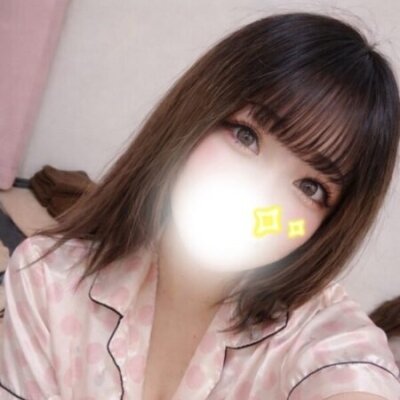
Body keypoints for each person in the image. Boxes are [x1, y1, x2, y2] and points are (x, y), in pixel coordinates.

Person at [0, 11, 400, 400]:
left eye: (310, 188)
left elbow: (352, 373)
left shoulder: (321, 334)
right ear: (194, 119)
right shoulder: (49, 279)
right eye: (246, 136)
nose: (261, 198)